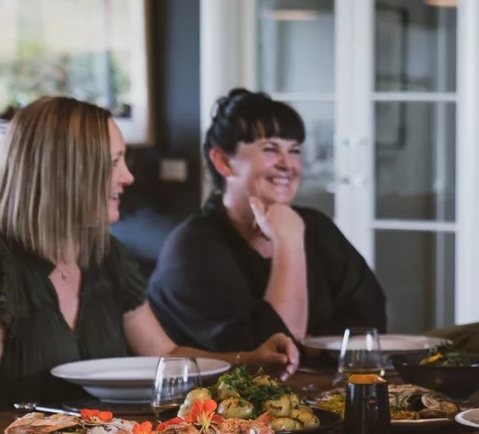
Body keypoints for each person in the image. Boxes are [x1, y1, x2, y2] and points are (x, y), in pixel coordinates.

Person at [0, 96, 299, 424]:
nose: (127, 176)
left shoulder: (106, 256)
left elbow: (166, 354)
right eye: (114, 162)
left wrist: (250, 359)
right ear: (63, 172)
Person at [146, 89, 386, 353]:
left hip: (317, 390)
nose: (288, 164)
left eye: (294, 151)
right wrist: (289, 242)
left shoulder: (317, 227)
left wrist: (314, 347)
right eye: (270, 149)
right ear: (223, 161)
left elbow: (370, 320)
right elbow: (270, 355)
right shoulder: (192, 248)